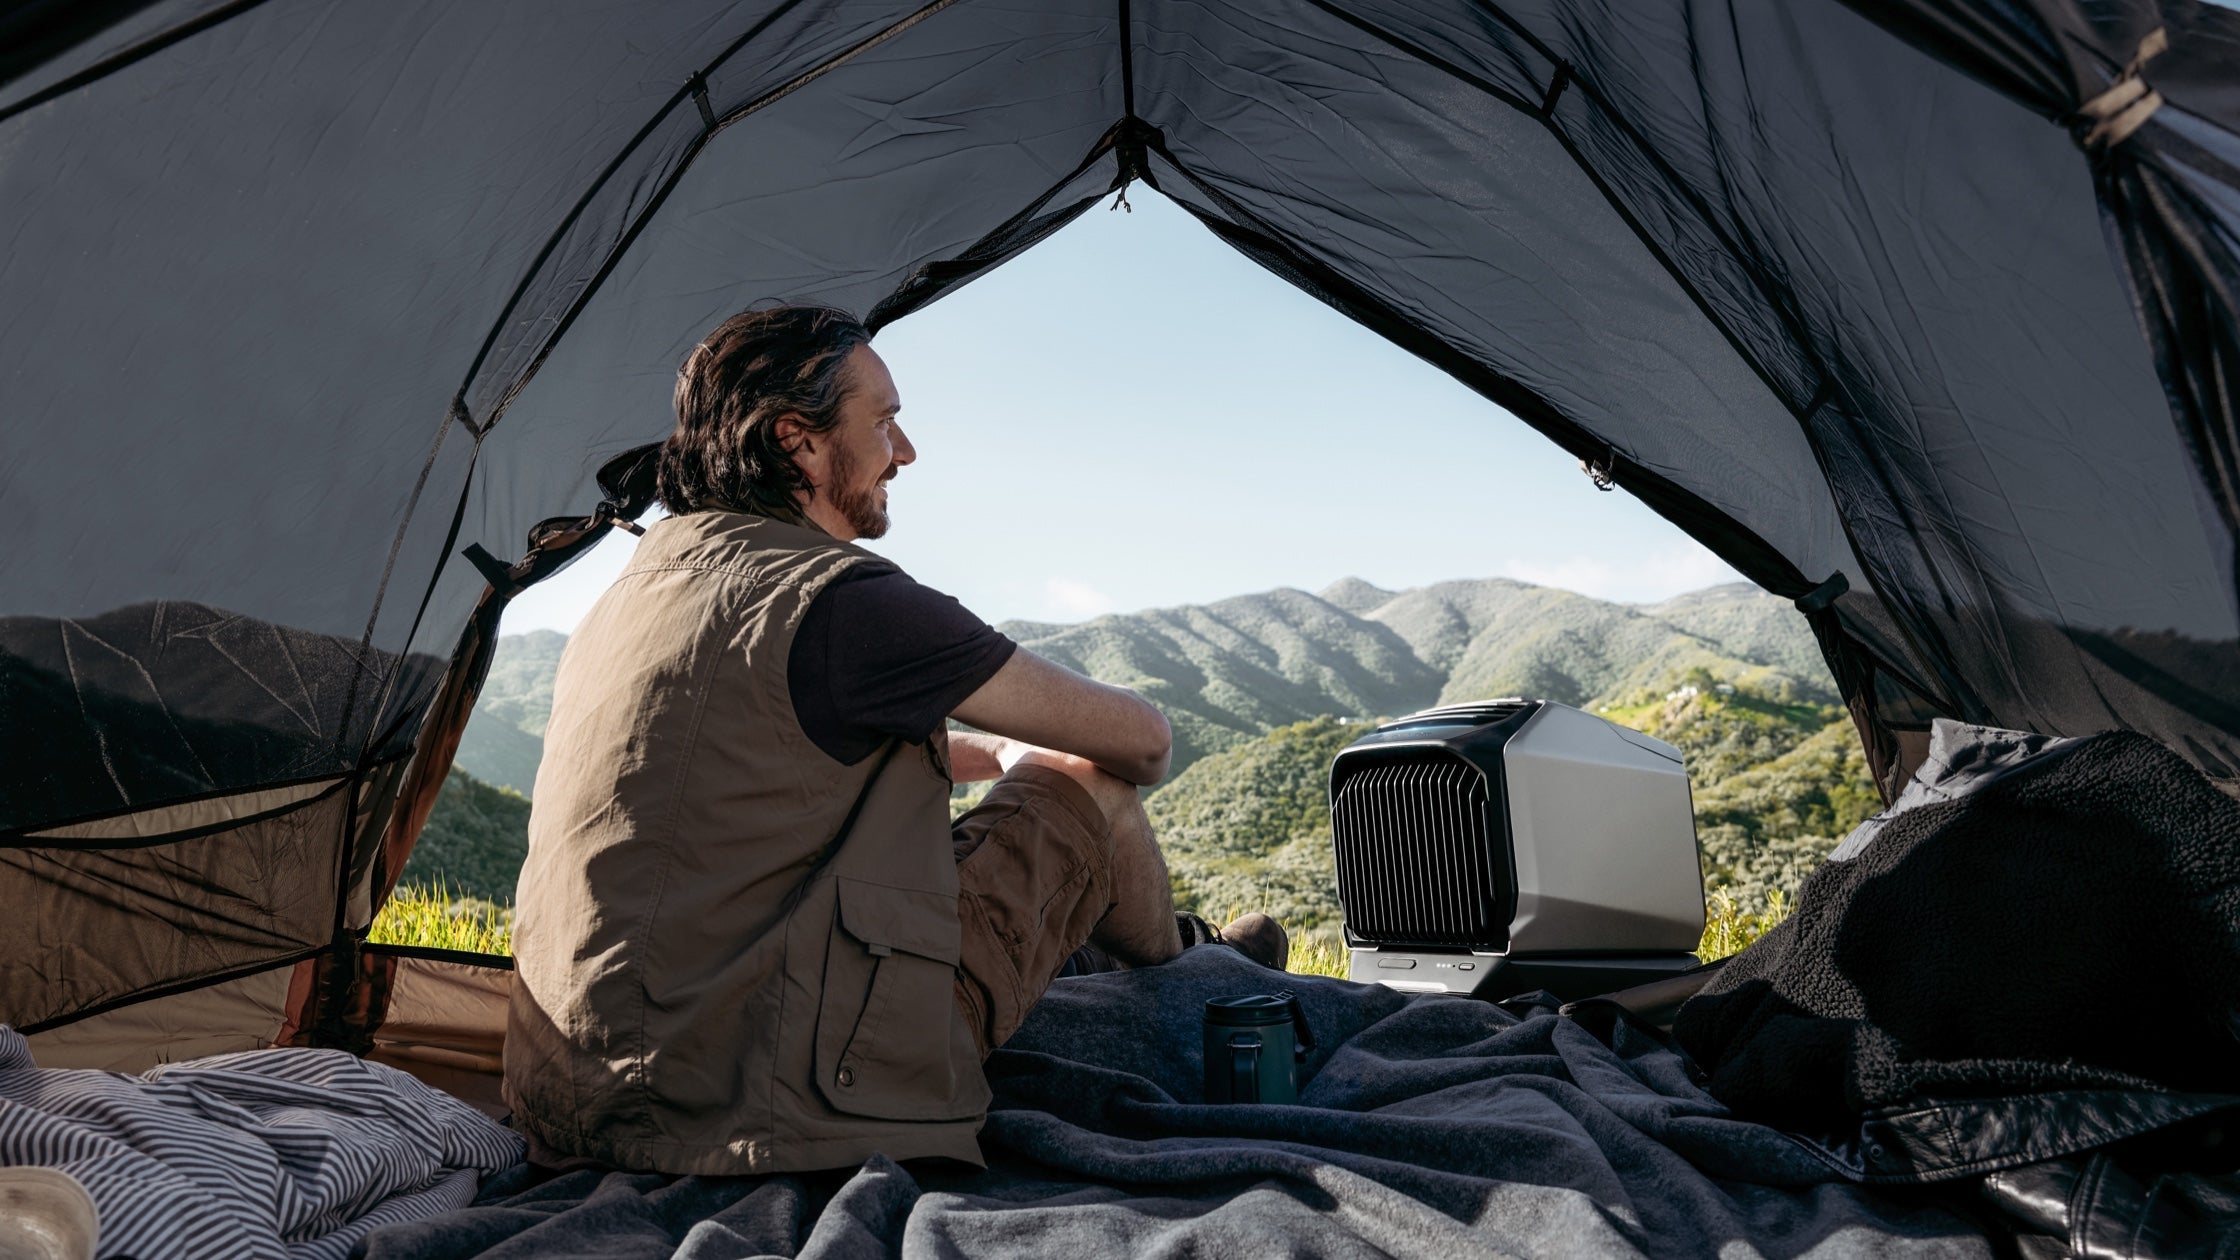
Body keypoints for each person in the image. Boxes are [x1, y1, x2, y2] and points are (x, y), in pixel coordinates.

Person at [503, 304, 1286, 1176]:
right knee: (1089, 786)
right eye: (884, 423)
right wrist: (1042, 765)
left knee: (988, 802)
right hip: (762, 1106)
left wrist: (995, 757)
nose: (904, 454)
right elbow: (1144, 743)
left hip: (576, 1096)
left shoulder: (637, 593)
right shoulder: (844, 599)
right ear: (797, 441)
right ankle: (1202, 980)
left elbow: (780, 750)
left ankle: (1124, 957)